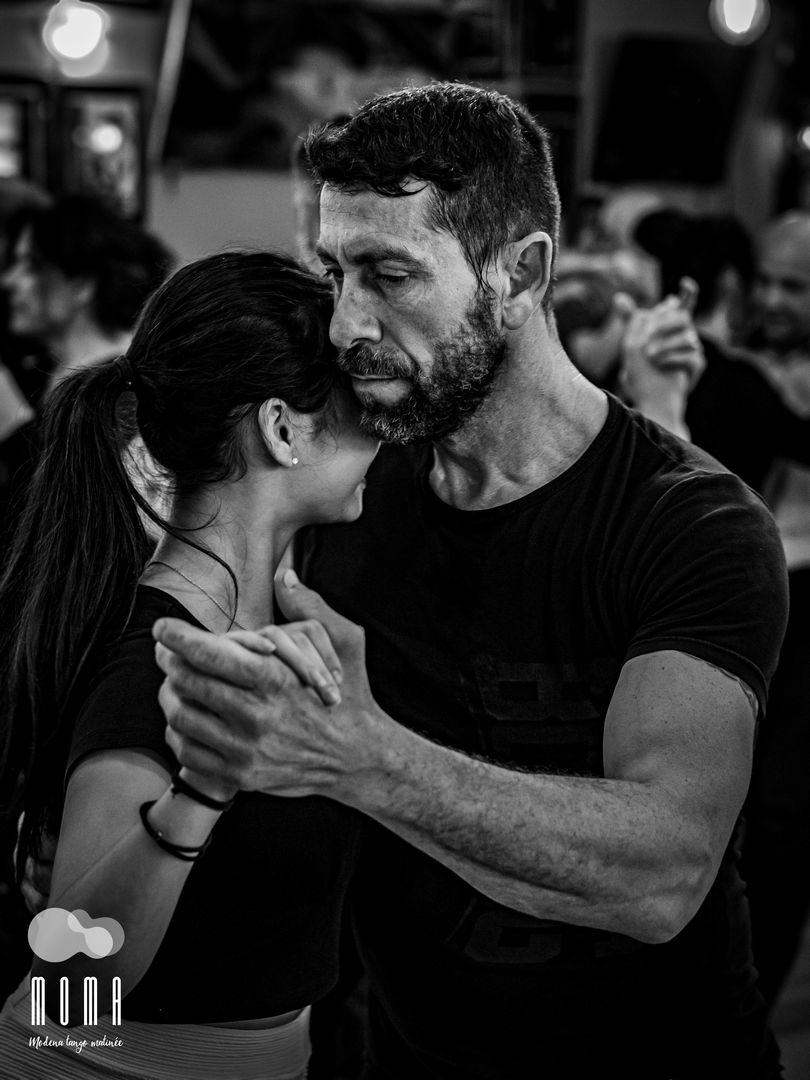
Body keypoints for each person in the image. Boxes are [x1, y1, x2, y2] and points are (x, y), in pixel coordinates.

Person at [153, 84, 789, 1079]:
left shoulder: (688, 524)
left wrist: (363, 756)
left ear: (519, 274)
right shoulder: (347, 498)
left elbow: (664, 871)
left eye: (389, 274)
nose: (345, 323)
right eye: (335, 273)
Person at [0, 250, 379, 1079]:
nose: (382, 423)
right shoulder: (153, 664)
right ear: (282, 429)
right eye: (358, 398)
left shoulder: (277, 620)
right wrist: (202, 792)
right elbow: (71, 995)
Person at [0, 195, 173, 538]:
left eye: (31, 267)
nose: (10, 281)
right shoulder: (39, 373)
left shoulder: (123, 394)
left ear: (80, 283)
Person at [736, 210, 810, 1006]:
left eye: (795, 287)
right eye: (767, 282)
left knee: (785, 818)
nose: (774, 300)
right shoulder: (743, 364)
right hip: (753, 595)